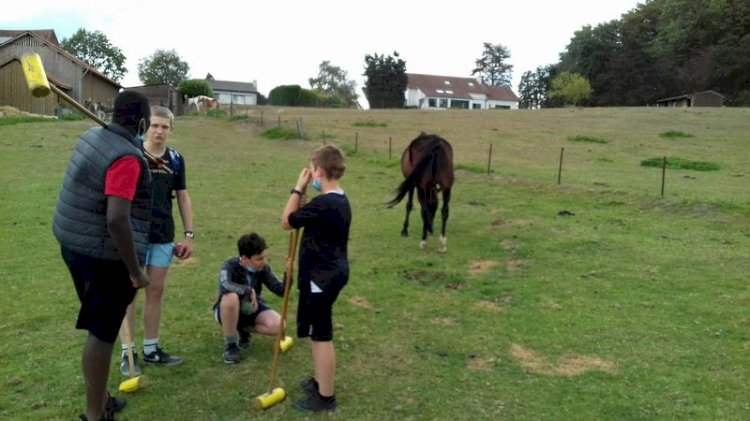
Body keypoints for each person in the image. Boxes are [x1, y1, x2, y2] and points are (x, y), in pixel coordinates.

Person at [53, 91, 152, 421]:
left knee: (98, 325)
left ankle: (102, 396)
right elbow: (117, 218)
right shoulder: (125, 158)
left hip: (72, 243)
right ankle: (96, 414)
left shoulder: (91, 136)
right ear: (140, 122)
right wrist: (135, 271)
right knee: (103, 333)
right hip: (103, 256)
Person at [118, 105, 194, 376]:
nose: (159, 131)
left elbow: (183, 196)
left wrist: (189, 233)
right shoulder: (132, 152)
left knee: (155, 291)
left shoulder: (175, 159)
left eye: (165, 127)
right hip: (133, 235)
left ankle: (151, 349)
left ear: (171, 130)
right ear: (146, 127)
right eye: (155, 126)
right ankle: (128, 353)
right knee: (128, 293)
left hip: (163, 234)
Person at [281, 144, 351, 413]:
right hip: (331, 272)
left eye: (311, 171)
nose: (310, 175)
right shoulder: (339, 200)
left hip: (322, 277)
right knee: (317, 332)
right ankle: (320, 380)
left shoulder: (324, 203)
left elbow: (287, 221)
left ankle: (326, 397)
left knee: (321, 334)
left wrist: (298, 188)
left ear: (319, 171)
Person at [212, 232, 289, 364]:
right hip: (226, 310)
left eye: (264, 257)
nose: (263, 262)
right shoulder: (230, 265)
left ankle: (243, 328)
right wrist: (247, 290)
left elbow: (281, 291)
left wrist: (289, 273)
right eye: (259, 259)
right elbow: (225, 284)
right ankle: (230, 346)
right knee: (230, 298)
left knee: (279, 325)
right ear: (245, 259)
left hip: (252, 309)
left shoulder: (263, 269)